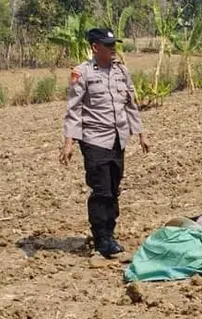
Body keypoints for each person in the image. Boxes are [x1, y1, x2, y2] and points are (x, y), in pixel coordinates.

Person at [60, 28, 150, 258]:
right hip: (94, 140)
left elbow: (130, 105)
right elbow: (74, 109)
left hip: (118, 139)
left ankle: (108, 232)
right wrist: (69, 142)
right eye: (107, 45)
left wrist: (140, 134)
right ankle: (102, 238)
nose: (113, 48)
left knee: (114, 188)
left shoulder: (121, 71)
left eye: (113, 44)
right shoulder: (83, 73)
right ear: (94, 47)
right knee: (102, 190)